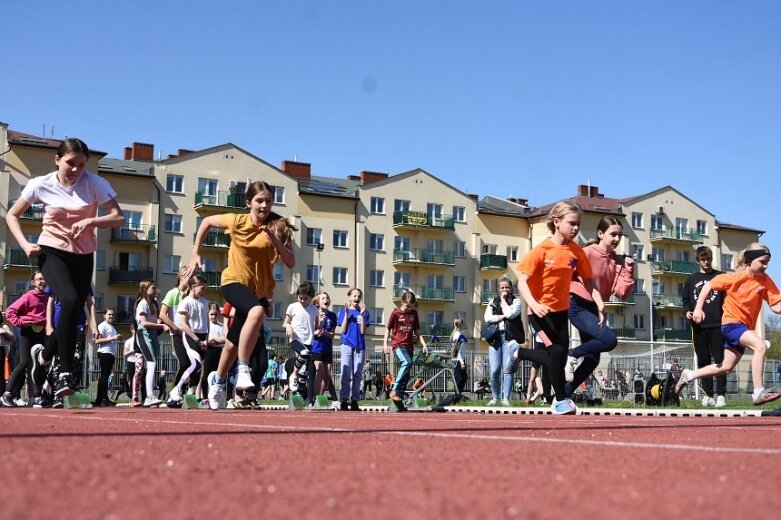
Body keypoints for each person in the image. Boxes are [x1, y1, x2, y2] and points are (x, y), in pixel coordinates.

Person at [6, 138, 124, 397]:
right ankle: (64, 374)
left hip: (83, 255)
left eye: (81, 165)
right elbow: (11, 214)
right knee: (68, 300)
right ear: (57, 160)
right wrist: (26, 245)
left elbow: (118, 217)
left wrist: (92, 221)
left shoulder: (94, 183)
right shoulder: (41, 184)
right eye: (71, 163)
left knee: (73, 312)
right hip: (51, 250)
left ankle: (45, 356)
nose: (76, 170)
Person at [184, 181, 295, 410]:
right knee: (256, 311)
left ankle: (218, 380)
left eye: (268, 201)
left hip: (259, 290)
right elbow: (206, 221)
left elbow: (291, 261)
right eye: (259, 201)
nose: (264, 205)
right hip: (233, 281)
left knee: (233, 342)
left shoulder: (277, 226)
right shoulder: (237, 221)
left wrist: (273, 239)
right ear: (249, 203)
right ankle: (243, 369)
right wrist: (196, 252)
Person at [513, 200, 602, 415]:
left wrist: (599, 302)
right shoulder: (541, 250)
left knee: (559, 357)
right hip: (538, 312)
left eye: (578, 223)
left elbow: (588, 280)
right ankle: (560, 400)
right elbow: (521, 281)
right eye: (572, 223)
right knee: (557, 352)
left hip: (561, 312)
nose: (576, 227)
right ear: (556, 222)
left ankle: (520, 353)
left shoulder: (575, 251)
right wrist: (534, 304)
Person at [676, 243, 781, 405]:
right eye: (762, 262)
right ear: (749, 261)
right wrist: (698, 308)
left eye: (767, 262)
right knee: (760, 346)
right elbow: (708, 286)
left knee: (725, 367)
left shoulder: (765, 281)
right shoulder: (733, 278)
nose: (766, 266)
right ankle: (758, 392)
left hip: (745, 328)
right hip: (731, 325)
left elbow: (775, 305)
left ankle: (689, 375)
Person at [565, 216, 635, 398]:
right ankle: (573, 354)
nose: (617, 239)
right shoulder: (587, 252)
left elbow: (622, 293)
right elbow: (567, 269)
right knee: (609, 340)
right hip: (577, 304)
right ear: (600, 234)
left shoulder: (618, 262)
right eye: (613, 234)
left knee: (593, 359)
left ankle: (563, 395)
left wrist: (629, 271)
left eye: (620, 235)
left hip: (595, 309)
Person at [682, 246, 726, 407]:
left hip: (718, 325)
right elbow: (686, 301)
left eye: (708, 259)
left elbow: (728, 300)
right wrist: (687, 312)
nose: (706, 262)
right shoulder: (691, 279)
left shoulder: (720, 276)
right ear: (697, 260)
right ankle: (708, 395)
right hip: (698, 327)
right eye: (703, 259)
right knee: (704, 360)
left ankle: (721, 395)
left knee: (721, 360)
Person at [2, 271, 48, 407]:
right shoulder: (28, 296)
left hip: (41, 332)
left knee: (38, 364)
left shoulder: (48, 297)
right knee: (24, 362)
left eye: (44, 279)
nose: (42, 281)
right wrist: (22, 322)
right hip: (28, 332)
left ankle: (35, 397)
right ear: (33, 282)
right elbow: (10, 311)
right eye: (39, 279)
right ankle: (7, 394)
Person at [483, 276, 527, 406]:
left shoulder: (516, 302)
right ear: (498, 289)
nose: (504, 290)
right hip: (495, 338)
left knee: (508, 368)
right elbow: (487, 318)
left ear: (511, 288)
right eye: (502, 288)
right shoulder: (493, 301)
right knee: (494, 370)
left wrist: (503, 302)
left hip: (509, 338)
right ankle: (495, 397)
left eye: (507, 287)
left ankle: (505, 398)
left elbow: (510, 314)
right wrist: (500, 317)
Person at [169, 275, 209, 403]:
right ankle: (177, 388)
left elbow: (207, 323)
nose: (203, 291)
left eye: (205, 289)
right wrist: (197, 339)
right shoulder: (185, 302)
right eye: (201, 288)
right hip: (191, 336)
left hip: (203, 336)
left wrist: (206, 339)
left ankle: (190, 396)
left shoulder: (205, 302)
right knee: (195, 363)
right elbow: (183, 325)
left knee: (198, 369)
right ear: (192, 287)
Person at [383, 290, 428, 403]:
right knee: (407, 362)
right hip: (398, 344)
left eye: (412, 306)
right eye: (407, 306)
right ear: (402, 302)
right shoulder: (395, 314)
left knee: (406, 374)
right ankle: (394, 390)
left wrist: (423, 344)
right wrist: (385, 344)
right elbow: (388, 329)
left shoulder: (414, 314)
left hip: (409, 346)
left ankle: (399, 397)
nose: (409, 309)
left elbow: (417, 331)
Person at [159, 269, 191, 403]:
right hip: (177, 334)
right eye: (185, 275)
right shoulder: (172, 293)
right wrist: (175, 328)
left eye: (190, 275)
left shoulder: (191, 296)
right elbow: (162, 315)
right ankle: (175, 392)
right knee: (184, 363)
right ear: (179, 278)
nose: (187, 277)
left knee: (193, 364)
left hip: (190, 334)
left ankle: (183, 393)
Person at [132, 279, 165, 407]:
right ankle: (149, 396)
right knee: (151, 362)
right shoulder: (143, 303)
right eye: (153, 288)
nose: (155, 290)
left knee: (153, 362)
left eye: (156, 287)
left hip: (152, 334)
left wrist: (162, 324)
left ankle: (149, 396)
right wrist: (161, 326)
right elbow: (144, 323)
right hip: (144, 333)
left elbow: (155, 320)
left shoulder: (154, 304)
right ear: (145, 290)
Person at [284, 282, 319, 399]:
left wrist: (319, 329)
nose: (303, 301)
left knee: (304, 373)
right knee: (304, 353)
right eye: (300, 298)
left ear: (311, 297)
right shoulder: (293, 306)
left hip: (309, 341)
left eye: (305, 298)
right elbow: (286, 322)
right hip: (295, 339)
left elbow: (317, 325)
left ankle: (300, 394)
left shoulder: (314, 309)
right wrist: (288, 327)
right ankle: (293, 375)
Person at [338, 287, 370, 410]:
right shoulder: (344, 311)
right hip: (347, 344)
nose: (356, 298)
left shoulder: (364, 312)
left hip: (359, 345)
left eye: (358, 296)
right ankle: (344, 399)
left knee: (357, 374)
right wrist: (346, 314)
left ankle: (355, 400)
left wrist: (362, 315)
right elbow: (343, 329)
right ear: (350, 297)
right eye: (354, 296)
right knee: (346, 373)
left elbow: (363, 331)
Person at [312, 292, 337, 407]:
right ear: (317, 302)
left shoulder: (332, 315)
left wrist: (325, 332)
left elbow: (332, 335)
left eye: (327, 298)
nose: (326, 299)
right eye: (323, 298)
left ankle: (320, 398)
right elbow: (312, 332)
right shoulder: (314, 314)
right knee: (320, 372)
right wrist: (319, 325)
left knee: (327, 377)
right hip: (317, 348)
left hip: (328, 348)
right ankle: (314, 398)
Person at [94, 308, 121, 406]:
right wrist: (113, 338)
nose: (111, 316)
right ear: (104, 315)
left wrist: (116, 338)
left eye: (113, 314)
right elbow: (97, 341)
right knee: (104, 376)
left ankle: (100, 399)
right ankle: (103, 399)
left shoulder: (111, 327)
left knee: (105, 376)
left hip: (110, 353)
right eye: (109, 314)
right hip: (104, 352)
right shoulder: (102, 326)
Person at [450, 318, 468, 394]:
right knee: (460, 378)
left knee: (462, 378)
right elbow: (458, 350)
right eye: (462, 323)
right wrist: (461, 362)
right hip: (459, 359)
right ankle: (457, 395)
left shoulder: (456, 334)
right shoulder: (458, 335)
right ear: (460, 325)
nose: (463, 325)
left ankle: (458, 394)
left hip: (459, 359)